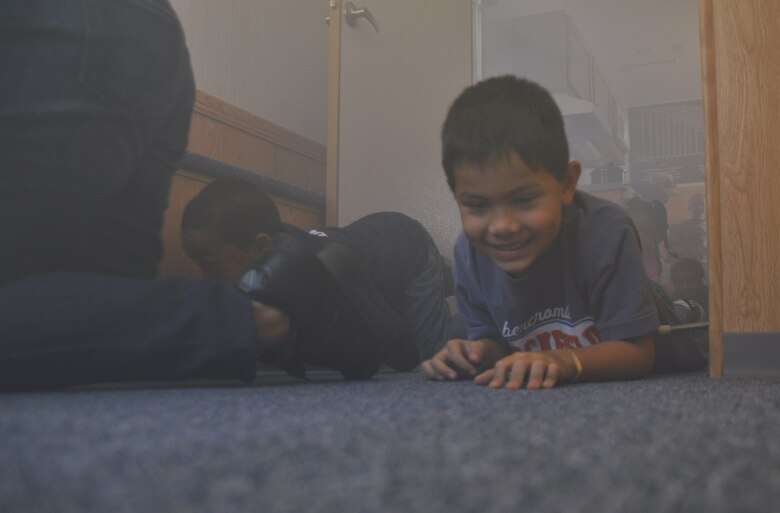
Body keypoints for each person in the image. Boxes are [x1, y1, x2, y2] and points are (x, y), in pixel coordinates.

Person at [0, 0, 399, 390]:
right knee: (98, 309)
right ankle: (263, 319)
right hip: (147, 31)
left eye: (209, 265)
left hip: (63, 26)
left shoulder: (330, 249)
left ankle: (261, 319)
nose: (205, 275)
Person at [420, 75, 705, 390]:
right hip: (567, 336)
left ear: (567, 184)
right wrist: (476, 353)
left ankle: (685, 309)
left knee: (674, 324)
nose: (502, 226)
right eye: (476, 205)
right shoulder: (469, 254)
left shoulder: (606, 230)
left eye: (525, 200)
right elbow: (494, 341)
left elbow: (639, 353)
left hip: (651, 325)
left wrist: (566, 361)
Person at [180, 178, 466, 371]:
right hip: (380, 247)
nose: (204, 277)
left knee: (428, 355)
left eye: (211, 265)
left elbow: (399, 347)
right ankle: (454, 278)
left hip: (409, 248)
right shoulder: (271, 247)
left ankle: (483, 310)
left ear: (260, 245)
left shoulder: (321, 271)